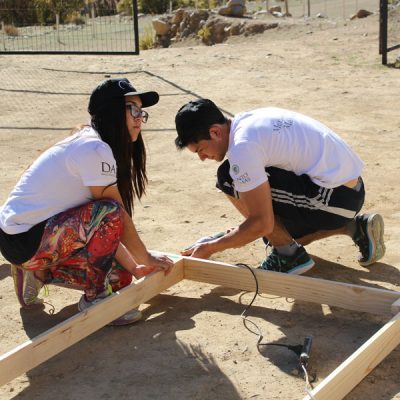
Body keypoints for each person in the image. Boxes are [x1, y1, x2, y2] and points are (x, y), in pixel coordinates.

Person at [0, 78, 173, 325]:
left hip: (42, 238)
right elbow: (113, 216)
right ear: (112, 111)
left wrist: (135, 267)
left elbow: (105, 231)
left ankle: (38, 272)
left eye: (141, 112)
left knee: (121, 277)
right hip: (24, 240)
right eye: (133, 109)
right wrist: (144, 256)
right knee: (110, 211)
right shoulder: (93, 148)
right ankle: (95, 299)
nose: (139, 118)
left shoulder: (94, 145)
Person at [174, 99, 385, 274]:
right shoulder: (248, 121)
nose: (202, 158)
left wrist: (211, 247)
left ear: (215, 132)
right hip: (348, 191)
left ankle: (289, 255)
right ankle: (355, 227)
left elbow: (261, 223)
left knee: (229, 179)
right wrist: (236, 235)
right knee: (277, 231)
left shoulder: (242, 147)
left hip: (334, 199)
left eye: (200, 149)